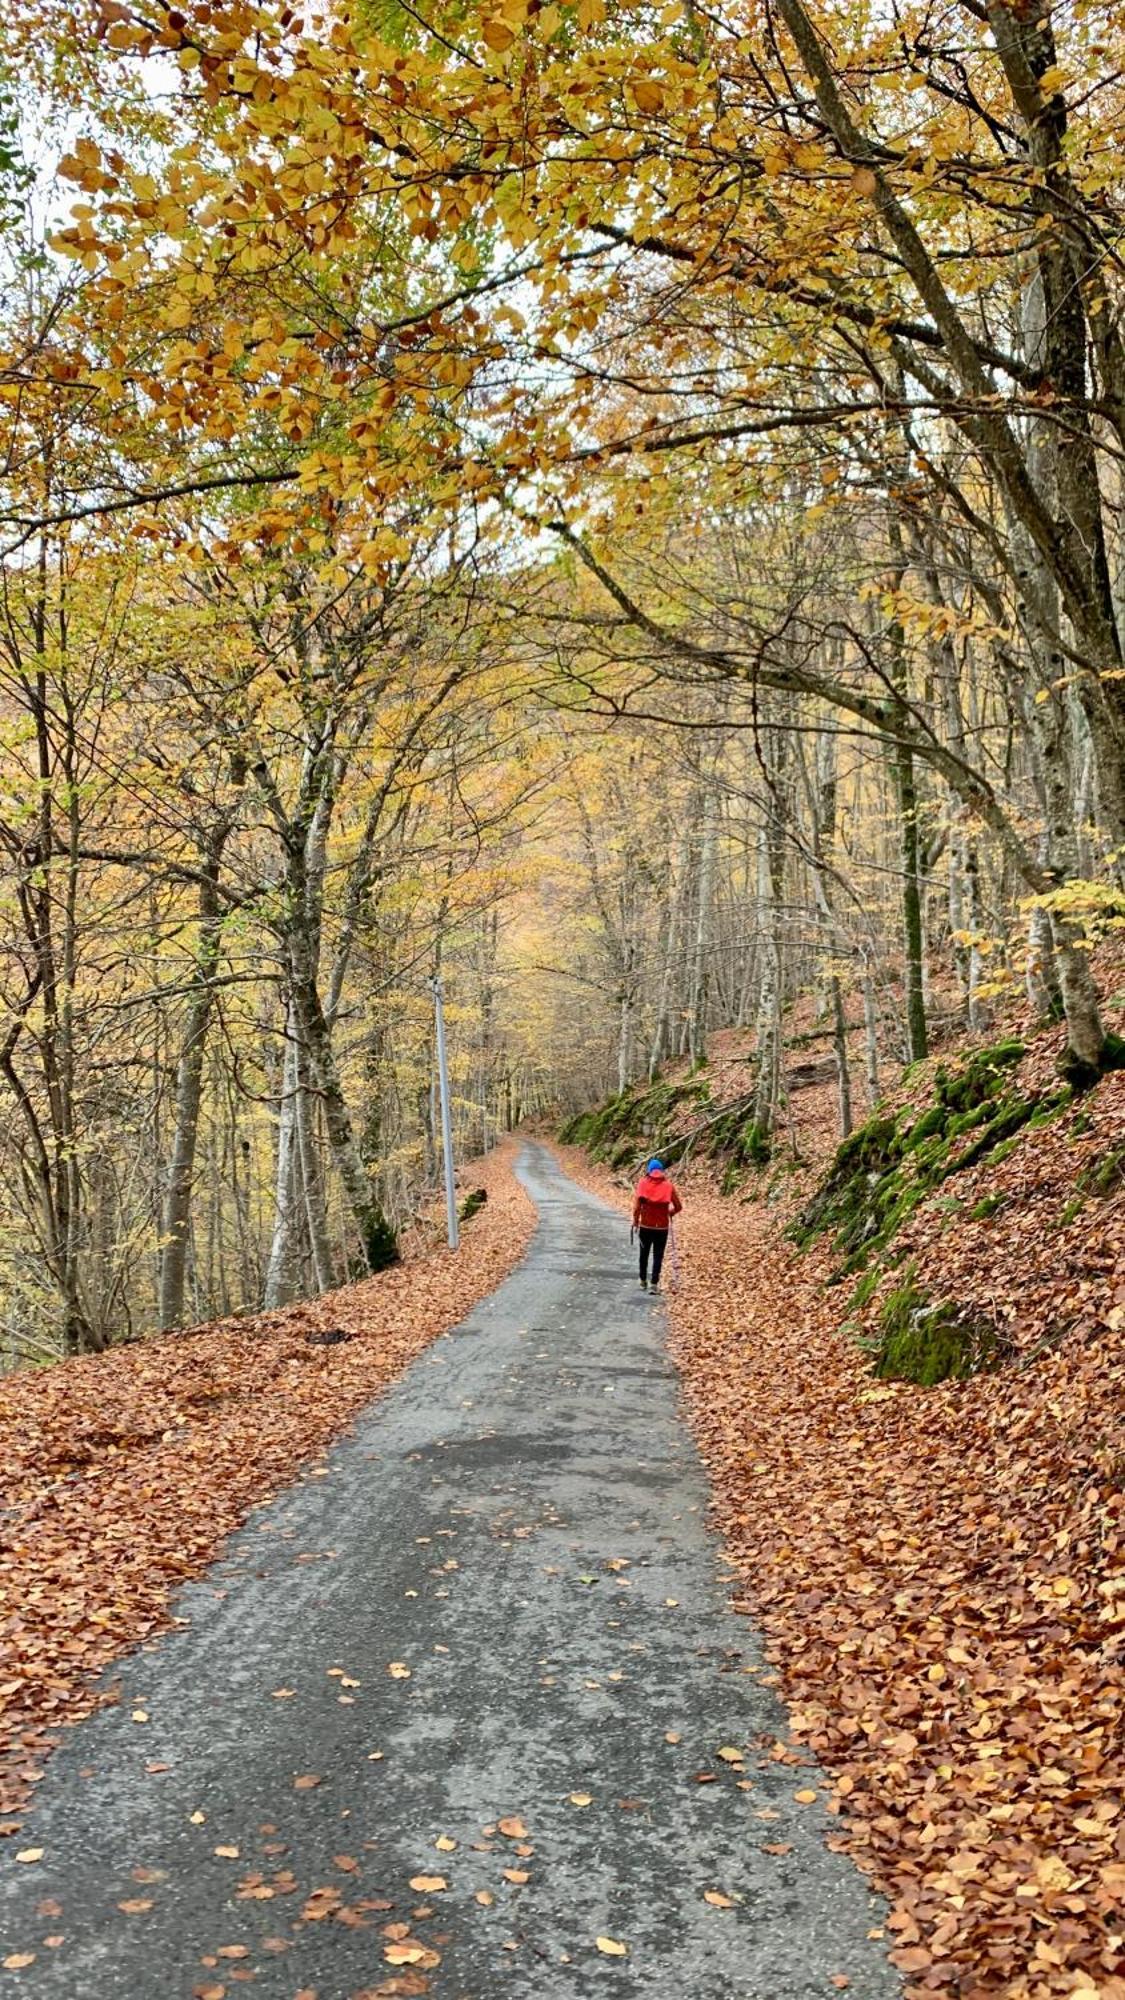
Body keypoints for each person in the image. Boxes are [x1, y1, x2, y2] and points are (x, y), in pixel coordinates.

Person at [632, 1157, 682, 1292]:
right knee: (658, 1255)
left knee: (644, 1253)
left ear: (649, 1171)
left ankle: (643, 1281)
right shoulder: (668, 1185)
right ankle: (654, 1284)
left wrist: (636, 1222)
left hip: (646, 1226)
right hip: (662, 1227)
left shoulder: (642, 1183)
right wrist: (670, 1212)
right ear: (661, 1171)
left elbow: (637, 1207)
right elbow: (678, 1206)